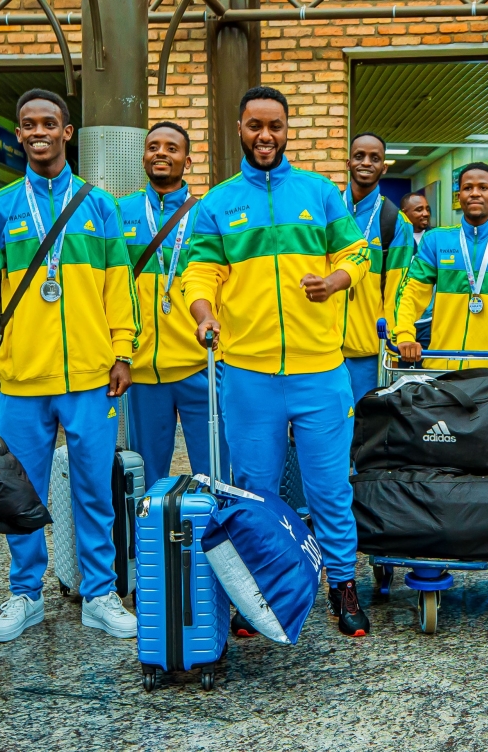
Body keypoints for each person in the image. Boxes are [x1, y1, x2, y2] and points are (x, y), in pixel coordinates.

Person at [0, 89, 140, 642]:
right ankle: (26, 593)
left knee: (94, 489)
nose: (38, 132)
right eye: (28, 124)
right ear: (19, 134)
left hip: (88, 379)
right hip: (24, 379)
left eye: (48, 123)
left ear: (67, 133)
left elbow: (117, 289)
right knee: (18, 493)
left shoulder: (100, 206)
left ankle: (98, 592)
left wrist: (122, 350)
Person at [182, 86, 373, 638]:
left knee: (329, 487)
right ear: (239, 129)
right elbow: (200, 273)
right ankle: (258, 592)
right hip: (248, 374)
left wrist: (337, 280)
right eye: (254, 126)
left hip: (319, 371)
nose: (265, 136)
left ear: (288, 130)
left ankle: (342, 586)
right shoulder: (217, 204)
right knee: (255, 488)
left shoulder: (319, 192)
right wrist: (203, 313)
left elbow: (354, 253)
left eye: (275, 126)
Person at [118, 122, 230, 482]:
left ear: (188, 160)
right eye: (153, 147)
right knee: (147, 478)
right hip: (144, 368)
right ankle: (149, 539)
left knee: (213, 472)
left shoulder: (209, 212)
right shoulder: (120, 211)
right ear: (143, 157)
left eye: (171, 148)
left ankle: (213, 538)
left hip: (203, 363)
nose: (161, 153)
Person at [394, 162, 488, 371]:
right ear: (459, 195)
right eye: (468, 188)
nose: (475, 193)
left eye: (483, 188)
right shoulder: (436, 240)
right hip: (442, 367)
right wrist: (405, 334)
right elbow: (411, 294)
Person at [337, 132, 414, 404]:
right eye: (359, 156)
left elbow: (398, 291)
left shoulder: (395, 222)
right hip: (323, 350)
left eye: (375, 158)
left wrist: (391, 345)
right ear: (348, 163)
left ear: (384, 166)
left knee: (364, 434)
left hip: (368, 353)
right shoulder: (327, 211)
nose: (366, 163)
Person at [400, 192, 433, 349]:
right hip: (402, 319)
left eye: (427, 209)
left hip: (430, 321)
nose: (425, 213)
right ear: (404, 213)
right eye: (419, 209)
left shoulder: (435, 238)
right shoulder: (396, 240)